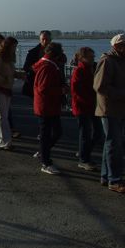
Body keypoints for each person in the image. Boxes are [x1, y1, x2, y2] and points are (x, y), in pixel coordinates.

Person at [93, 34, 125, 193]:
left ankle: (107, 177)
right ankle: (114, 179)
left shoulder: (119, 61)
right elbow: (99, 86)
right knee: (114, 144)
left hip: (117, 109)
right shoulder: (108, 61)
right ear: (118, 46)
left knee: (111, 143)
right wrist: (122, 94)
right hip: (110, 109)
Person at [33, 42, 68, 174]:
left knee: (52, 133)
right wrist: (61, 90)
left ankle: (43, 153)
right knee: (47, 134)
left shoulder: (46, 65)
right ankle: (45, 162)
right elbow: (44, 89)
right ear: (56, 54)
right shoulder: (47, 67)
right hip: (46, 105)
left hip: (48, 105)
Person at [71, 47, 103, 171]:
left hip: (92, 105)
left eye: (92, 57)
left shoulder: (91, 68)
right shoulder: (79, 71)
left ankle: (84, 152)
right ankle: (84, 159)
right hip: (83, 106)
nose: (92, 59)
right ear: (82, 58)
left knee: (97, 133)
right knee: (85, 133)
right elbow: (76, 91)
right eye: (90, 57)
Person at [0, 37, 21, 150]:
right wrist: (3, 79)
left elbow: (9, 72)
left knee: (2, 114)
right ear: (8, 46)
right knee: (3, 114)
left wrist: (18, 75)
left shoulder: (8, 57)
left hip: (5, 87)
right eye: (14, 46)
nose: (15, 49)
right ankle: (5, 142)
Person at [22, 30, 52, 97]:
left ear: (50, 40)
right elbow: (26, 67)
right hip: (35, 83)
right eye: (43, 39)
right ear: (40, 40)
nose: (45, 41)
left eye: (47, 39)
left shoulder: (56, 53)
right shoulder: (32, 52)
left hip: (50, 84)